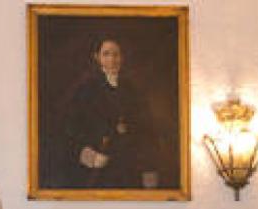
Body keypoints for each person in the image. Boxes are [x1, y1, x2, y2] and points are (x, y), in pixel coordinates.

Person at [58, 38, 172, 190]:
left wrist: (149, 166)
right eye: (106, 54)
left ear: (122, 58)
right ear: (97, 57)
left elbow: (147, 130)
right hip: (99, 164)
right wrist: (88, 154)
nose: (112, 59)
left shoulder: (131, 89)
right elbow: (70, 127)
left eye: (116, 54)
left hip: (129, 164)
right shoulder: (87, 89)